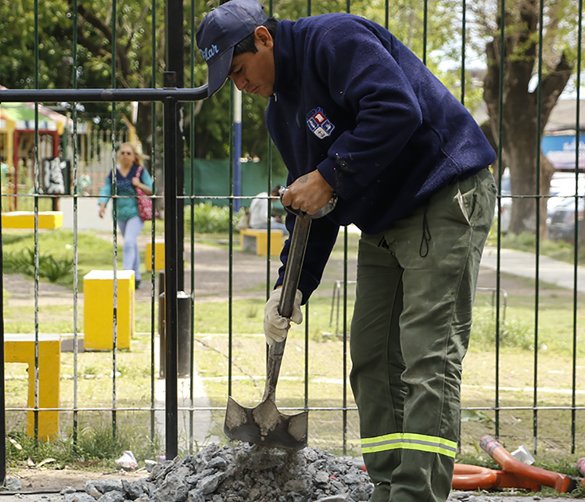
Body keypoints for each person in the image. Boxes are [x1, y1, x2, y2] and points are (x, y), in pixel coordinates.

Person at [197, 2, 496, 500]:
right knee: (372, 354)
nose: (240, 84)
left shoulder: (334, 40)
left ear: (264, 39)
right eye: (229, 79)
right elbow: (316, 206)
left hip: (442, 194)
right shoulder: (281, 116)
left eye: (238, 69)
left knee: (427, 355)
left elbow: (397, 108)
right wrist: (289, 289)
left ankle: (416, 495)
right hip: (385, 219)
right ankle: (389, 484)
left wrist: (328, 175)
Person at [97, 142, 154, 289]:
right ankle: (137, 277)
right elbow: (106, 188)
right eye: (122, 153)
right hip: (120, 214)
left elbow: (152, 189)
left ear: (134, 156)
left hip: (136, 213)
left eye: (128, 153)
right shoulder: (114, 173)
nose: (125, 156)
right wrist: (102, 205)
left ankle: (124, 277)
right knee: (131, 244)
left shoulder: (139, 171)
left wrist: (139, 184)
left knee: (128, 242)